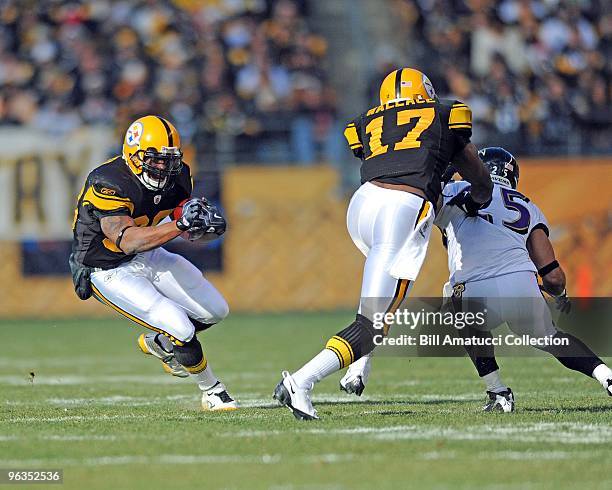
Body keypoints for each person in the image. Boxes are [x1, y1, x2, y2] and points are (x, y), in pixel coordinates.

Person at [273, 68, 493, 420]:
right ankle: (301, 381)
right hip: (402, 207)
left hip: (362, 205)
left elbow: (387, 154)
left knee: (376, 304)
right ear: (427, 92)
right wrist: (483, 192)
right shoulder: (445, 111)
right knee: (374, 323)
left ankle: (358, 366)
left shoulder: (366, 120)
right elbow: (472, 167)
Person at [342, 147, 612, 412]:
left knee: (457, 310)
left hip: (474, 286)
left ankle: (498, 391)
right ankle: (605, 375)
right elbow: (553, 275)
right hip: (521, 282)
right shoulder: (528, 205)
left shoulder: (456, 189)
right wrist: (561, 294)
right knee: (551, 338)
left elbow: (421, 206)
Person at [69, 115, 238, 411]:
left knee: (216, 309)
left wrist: (202, 227)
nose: (163, 167)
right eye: (155, 159)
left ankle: (160, 343)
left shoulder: (180, 176)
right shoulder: (108, 182)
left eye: (168, 160)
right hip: (105, 268)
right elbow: (128, 240)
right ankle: (212, 390)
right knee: (180, 327)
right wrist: (181, 224)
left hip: (147, 254)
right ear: (133, 155)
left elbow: (183, 231)